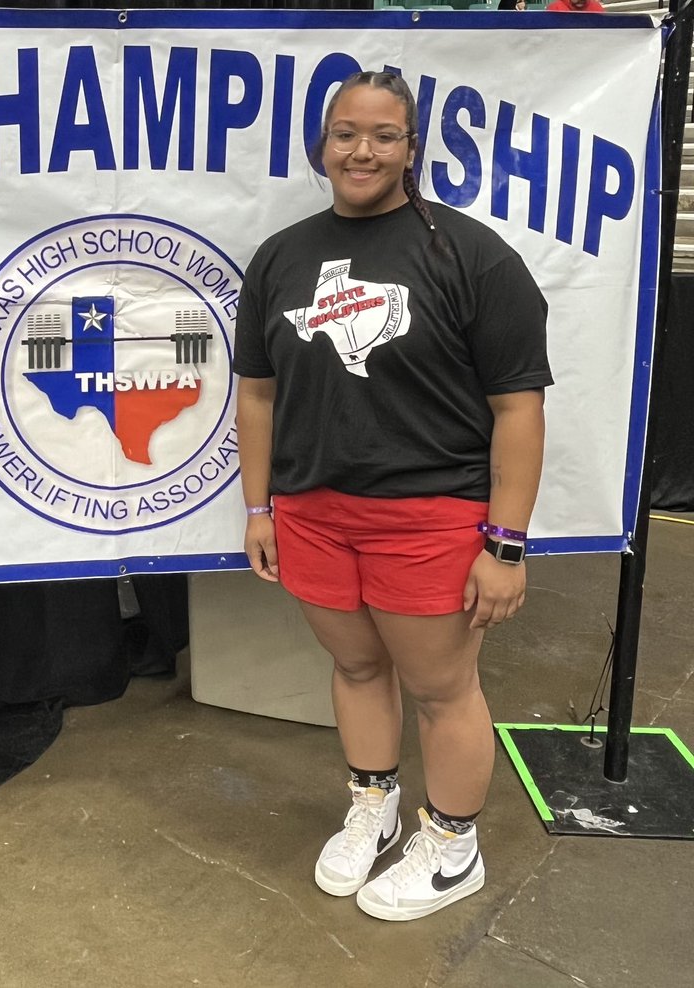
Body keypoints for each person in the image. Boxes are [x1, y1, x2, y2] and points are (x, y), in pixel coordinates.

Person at [233, 70, 551, 921]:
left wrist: (506, 544)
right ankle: (372, 806)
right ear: (320, 145)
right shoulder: (281, 257)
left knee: (443, 689)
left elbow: (518, 407)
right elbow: (256, 394)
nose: (361, 150)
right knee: (356, 663)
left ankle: (453, 846)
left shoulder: (470, 254)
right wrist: (259, 508)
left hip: (433, 516)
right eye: (345, 133)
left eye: (383, 134)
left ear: (412, 148)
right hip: (313, 513)